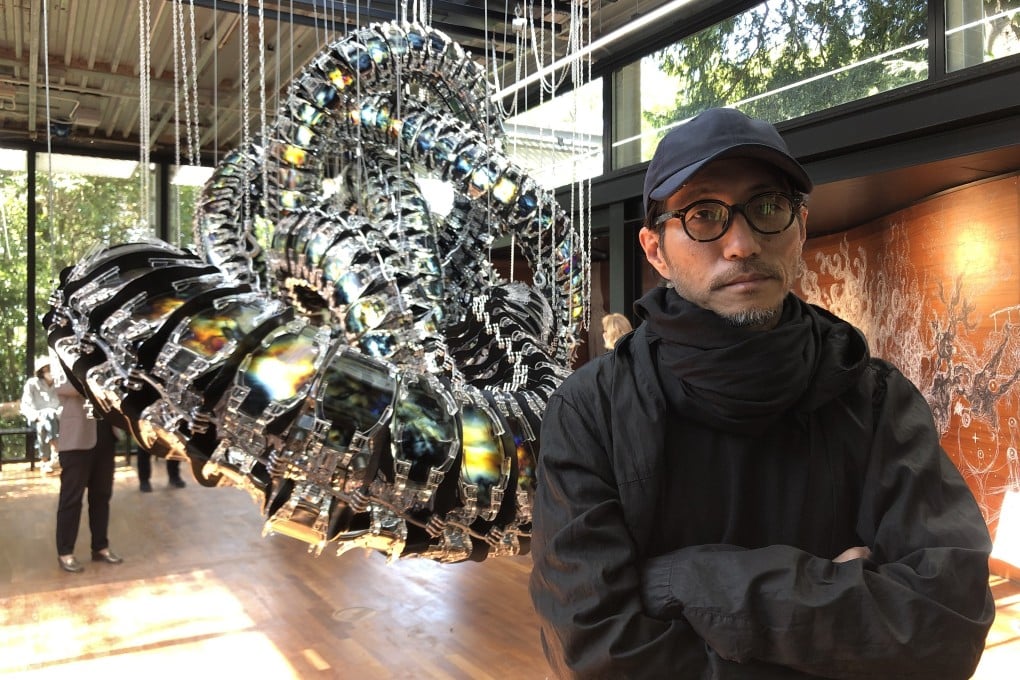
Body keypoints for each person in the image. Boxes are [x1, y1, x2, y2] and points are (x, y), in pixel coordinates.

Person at [529, 107, 995, 679]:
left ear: (800, 228)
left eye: (768, 206)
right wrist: (833, 604)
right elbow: (596, 653)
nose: (742, 243)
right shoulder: (591, 410)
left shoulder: (875, 400)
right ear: (655, 251)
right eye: (703, 215)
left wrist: (688, 579)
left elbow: (946, 622)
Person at [52, 357, 123, 573]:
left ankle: (100, 547)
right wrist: (98, 380)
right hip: (76, 438)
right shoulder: (62, 353)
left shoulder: (104, 353)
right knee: (71, 498)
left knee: (102, 496)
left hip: (106, 435)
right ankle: (65, 552)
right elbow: (62, 385)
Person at [20, 356, 61, 473]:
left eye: (51, 368)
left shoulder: (59, 384)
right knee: (44, 420)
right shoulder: (32, 384)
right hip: (36, 418)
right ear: (41, 371)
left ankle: (44, 461)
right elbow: (25, 406)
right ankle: (55, 451)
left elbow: (63, 404)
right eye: (46, 369)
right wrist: (37, 416)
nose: (49, 372)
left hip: (57, 418)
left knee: (47, 419)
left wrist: (56, 414)